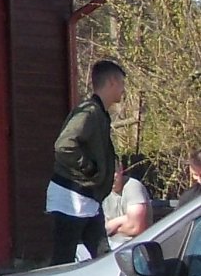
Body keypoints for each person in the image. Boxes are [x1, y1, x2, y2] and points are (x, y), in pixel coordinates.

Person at [47, 59, 123, 263]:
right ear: (113, 82)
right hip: (70, 198)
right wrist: (89, 168)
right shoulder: (89, 112)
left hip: (89, 198)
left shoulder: (99, 113)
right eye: (122, 84)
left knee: (104, 257)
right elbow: (64, 145)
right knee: (61, 261)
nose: (123, 90)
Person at [103, 164, 153, 241]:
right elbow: (96, 230)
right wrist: (124, 219)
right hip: (109, 244)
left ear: (121, 169)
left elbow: (135, 227)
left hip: (135, 244)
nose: (111, 177)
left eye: (113, 172)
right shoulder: (102, 191)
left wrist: (111, 225)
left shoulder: (133, 187)